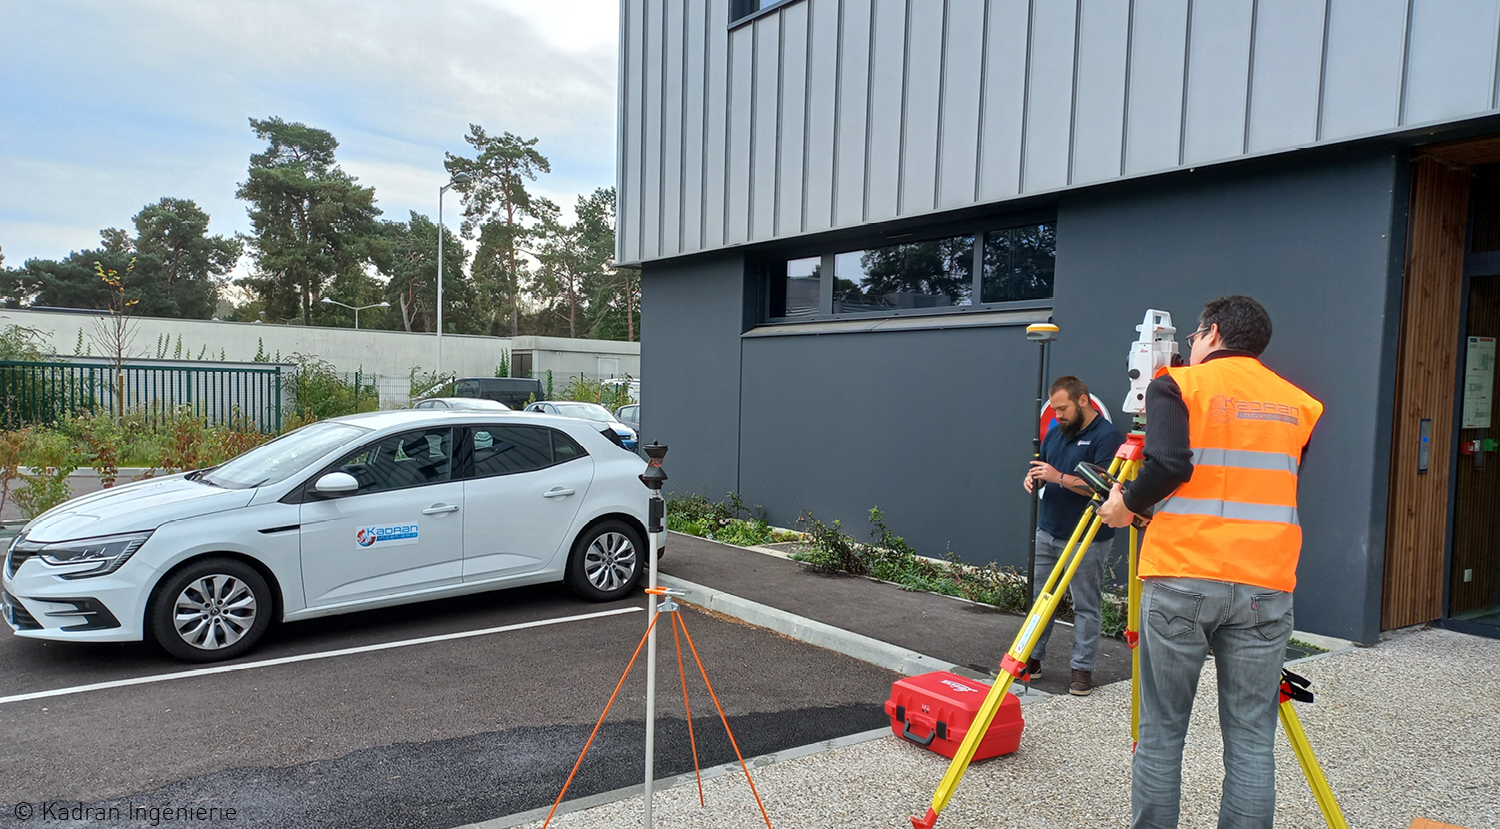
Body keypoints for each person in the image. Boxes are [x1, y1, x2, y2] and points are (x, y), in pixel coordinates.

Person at [1097, 296, 1322, 829]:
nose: (1189, 347)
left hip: (1183, 578)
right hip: (1265, 586)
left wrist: (1124, 505)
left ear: (1212, 332)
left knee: (1162, 732)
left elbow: (1171, 464)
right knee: (1250, 739)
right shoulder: (1299, 404)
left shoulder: (1177, 385)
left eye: (1194, 337)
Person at [1023, 375, 1125, 696]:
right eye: (1054, 409)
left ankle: (1082, 671)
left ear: (1083, 401)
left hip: (1088, 537)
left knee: (1086, 606)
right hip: (1048, 530)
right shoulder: (1056, 433)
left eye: (1063, 408)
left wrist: (1057, 477)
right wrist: (1035, 478)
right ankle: (1031, 660)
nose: (1057, 415)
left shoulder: (1107, 437)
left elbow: (1106, 487)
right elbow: (1046, 469)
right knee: (1041, 601)